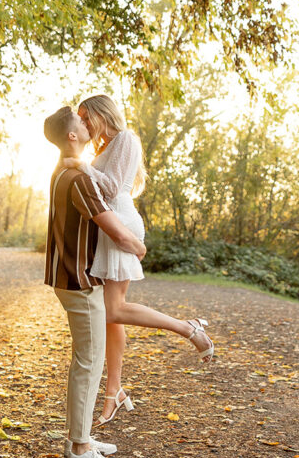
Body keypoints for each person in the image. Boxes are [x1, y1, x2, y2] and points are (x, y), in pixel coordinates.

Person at [65, 94, 214, 427]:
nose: (85, 124)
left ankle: (188, 328)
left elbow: (113, 187)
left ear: (104, 114)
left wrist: (80, 165)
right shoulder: (104, 148)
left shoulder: (126, 139)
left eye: (87, 117)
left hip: (121, 225)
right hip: (108, 228)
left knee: (114, 309)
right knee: (110, 316)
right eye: (81, 119)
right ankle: (114, 392)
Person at [44, 106, 147, 458]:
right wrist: (138, 247)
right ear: (73, 135)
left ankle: (81, 434)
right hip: (79, 281)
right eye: (81, 122)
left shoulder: (61, 172)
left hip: (67, 277)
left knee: (86, 363)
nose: (86, 125)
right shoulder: (80, 179)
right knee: (88, 365)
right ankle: (80, 450)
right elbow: (116, 231)